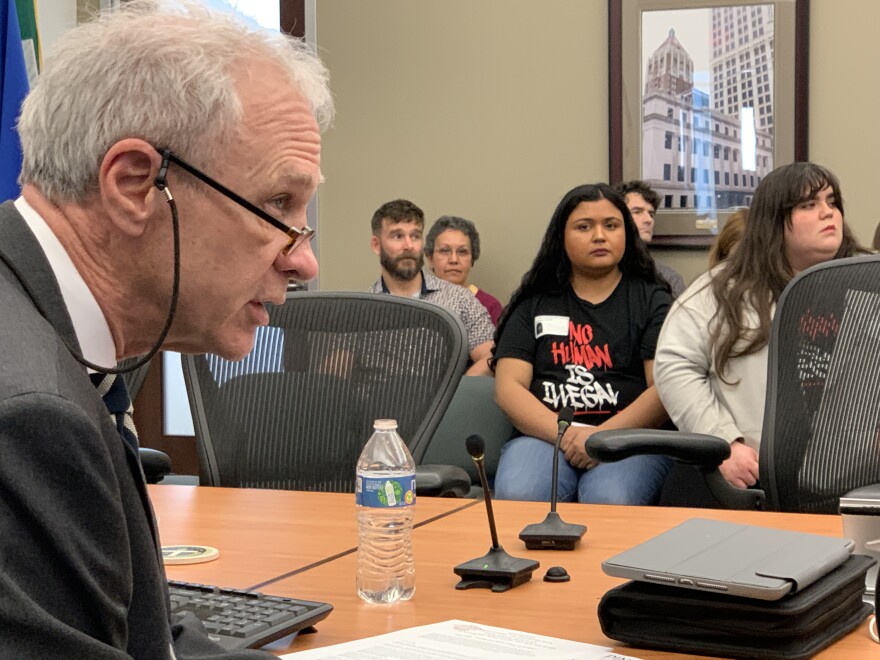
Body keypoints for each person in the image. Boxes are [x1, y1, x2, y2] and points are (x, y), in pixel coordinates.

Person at [1, 1, 332, 657]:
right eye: (277, 205)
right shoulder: (30, 415)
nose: (304, 260)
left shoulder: (53, 334)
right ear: (135, 185)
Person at [654, 162, 865, 489]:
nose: (828, 213)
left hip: (849, 477)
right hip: (754, 476)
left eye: (832, 201)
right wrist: (723, 443)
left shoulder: (866, 285)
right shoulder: (722, 291)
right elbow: (675, 364)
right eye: (809, 205)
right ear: (773, 221)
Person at [492, 183, 674, 505]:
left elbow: (661, 391)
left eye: (611, 225)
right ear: (561, 237)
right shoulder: (534, 302)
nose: (599, 236)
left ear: (626, 235)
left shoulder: (653, 301)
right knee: (520, 492)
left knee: (610, 497)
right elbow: (508, 388)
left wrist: (601, 438)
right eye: (584, 227)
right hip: (543, 437)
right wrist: (567, 435)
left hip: (627, 439)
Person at [369, 199, 494, 375]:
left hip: (447, 400)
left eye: (415, 236)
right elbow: (336, 369)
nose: (409, 246)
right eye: (397, 236)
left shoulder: (460, 299)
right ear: (376, 245)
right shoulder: (363, 307)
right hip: (379, 398)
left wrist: (457, 396)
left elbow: (490, 356)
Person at [424, 214, 504, 325]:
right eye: (444, 251)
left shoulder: (490, 306)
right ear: (430, 259)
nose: (453, 260)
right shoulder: (417, 302)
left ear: (472, 259)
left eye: (462, 252)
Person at [615, 180, 686, 297]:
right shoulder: (602, 271)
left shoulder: (669, 279)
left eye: (651, 214)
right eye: (637, 212)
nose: (649, 220)